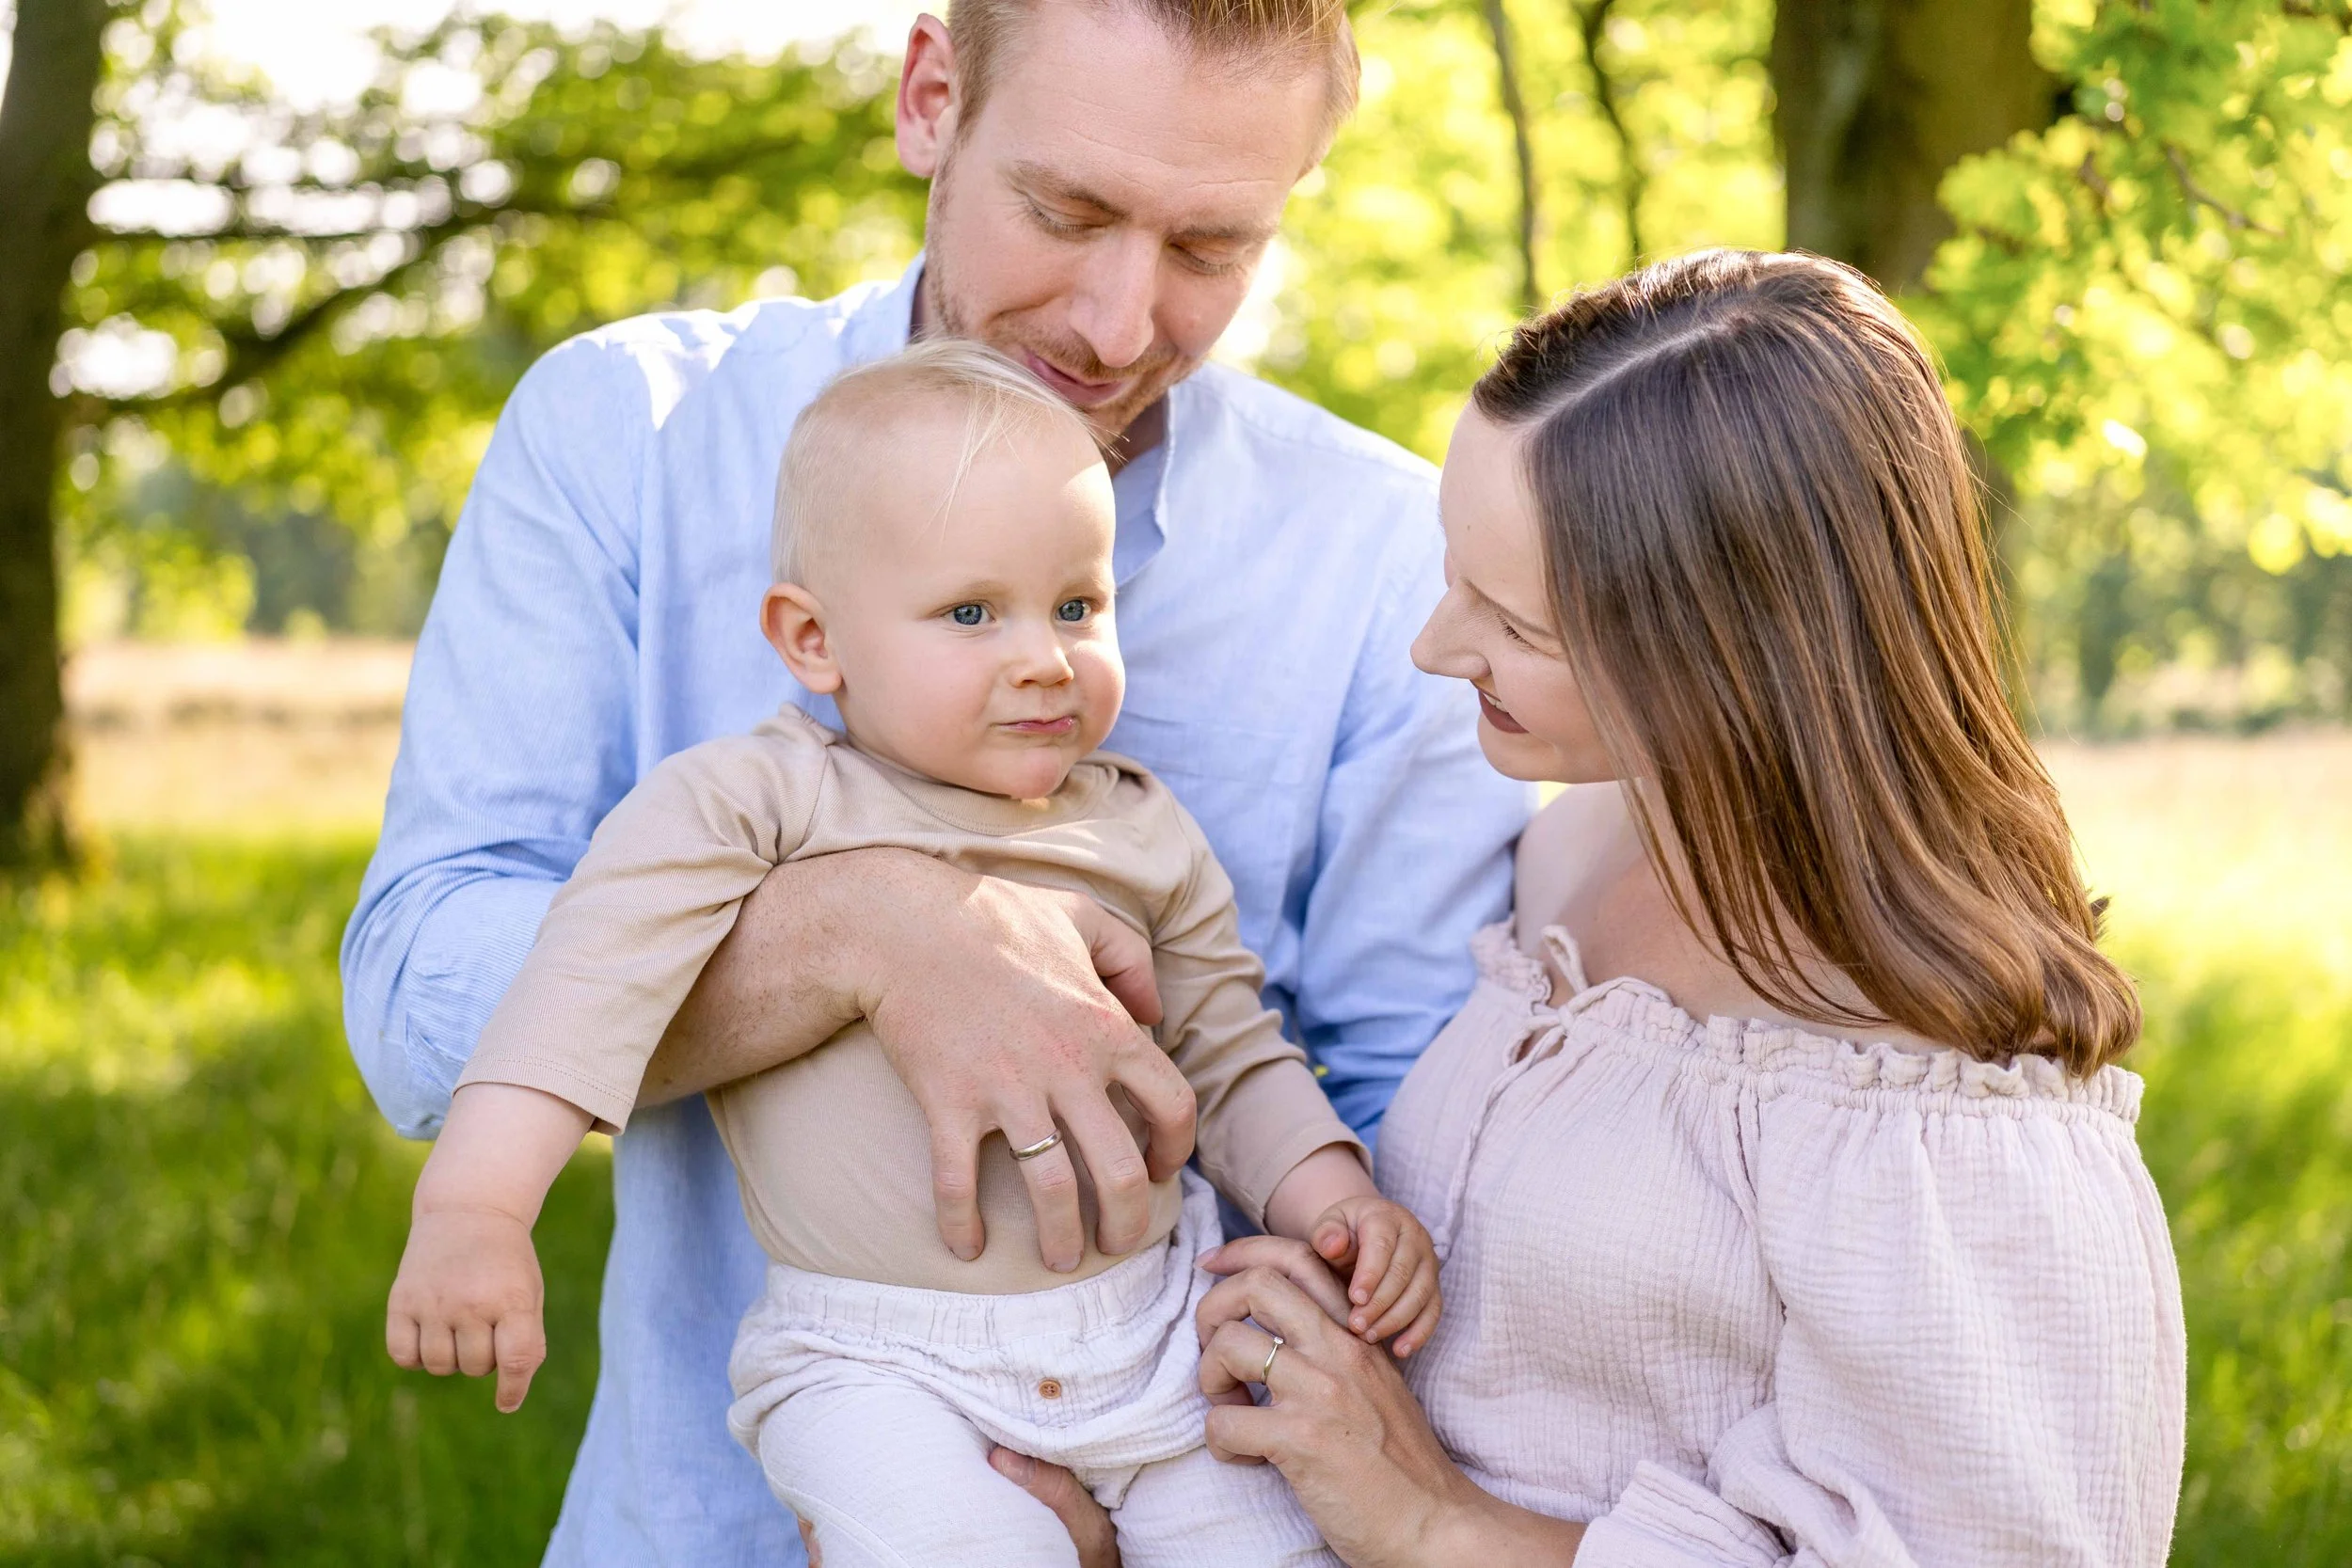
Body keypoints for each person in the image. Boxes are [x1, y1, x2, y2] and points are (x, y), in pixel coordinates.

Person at [338, 1, 1529, 1560]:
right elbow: (414, 992)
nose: (1118, 324)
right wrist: (872, 932)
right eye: (1068, 212)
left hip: (1176, 1427)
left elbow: (1413, 1123)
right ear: (930, 98)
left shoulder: (1384, 560)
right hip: (712, 1505)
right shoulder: (631, 431)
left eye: (1211, 247)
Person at [1018, 250, 2189, 1566]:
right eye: (1451, 572)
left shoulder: (1940, 1094)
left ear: (1733, 649)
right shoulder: (1568, 853)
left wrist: (1429, 1516)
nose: (1433, 647)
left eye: (1514, 623)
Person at [384, 340, 1442, 1566]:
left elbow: (1233, 1055)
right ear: (813, 639)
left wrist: (1337, 1200)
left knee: (1277, 1545)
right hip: (879, 1361)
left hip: (1156, 1327)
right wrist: (476, 1207)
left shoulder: (1141, 828)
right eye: (972, 613)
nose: (1044, 656)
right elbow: (584, 988)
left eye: (1078, 606)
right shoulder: (754, 805)